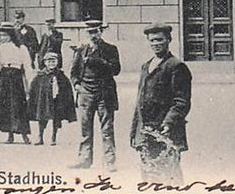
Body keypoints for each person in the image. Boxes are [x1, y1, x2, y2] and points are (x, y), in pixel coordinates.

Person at [129, 23, 192, 183]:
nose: (155, 44)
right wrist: (134, 131)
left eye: (159, 40)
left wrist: (168, 123)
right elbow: (140, 101)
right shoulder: (146, 66)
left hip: (166, 133)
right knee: (149, 176)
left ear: (168, 40)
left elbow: (181, 102)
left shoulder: (176, 66)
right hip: (145, 132)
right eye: (152, 40)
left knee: (169, 176)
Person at [69, 19, 121, 171]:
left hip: (104, 93)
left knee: (107, 129)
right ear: (87, 33)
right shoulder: (81, 49)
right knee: (85, 129)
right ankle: (84, 159)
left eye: (96, 32)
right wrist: (77, 85)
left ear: (101, 32)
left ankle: (109, 161)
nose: (93, 35)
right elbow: (73, 71)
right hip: (86, 93)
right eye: (90, 32)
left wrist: (98, 61)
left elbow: (116, 70)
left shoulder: (110, 49)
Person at [28, 51, 76, 146]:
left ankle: (53, 137)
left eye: (53, 61)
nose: (51, 63)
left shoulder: (61, 75)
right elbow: (34, 88)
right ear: (45, 62)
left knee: (56, 118)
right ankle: (40, 137)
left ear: (57, 62)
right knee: (42, 118)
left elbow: (67, 88)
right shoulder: (41, 75)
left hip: (57, 100)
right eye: (49, 62)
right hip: (44, 100)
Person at [0, 23, 32, 144]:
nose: (3, 38)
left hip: (16, 77)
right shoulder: (1, 48)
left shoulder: (21, 48)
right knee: (6, 105)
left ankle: (24, 135)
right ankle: (10, 134)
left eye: (5, 35)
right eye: (1, 36)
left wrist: (30, 82)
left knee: (18, 105)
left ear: (11, 35)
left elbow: (27, 66)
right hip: (5, 76)